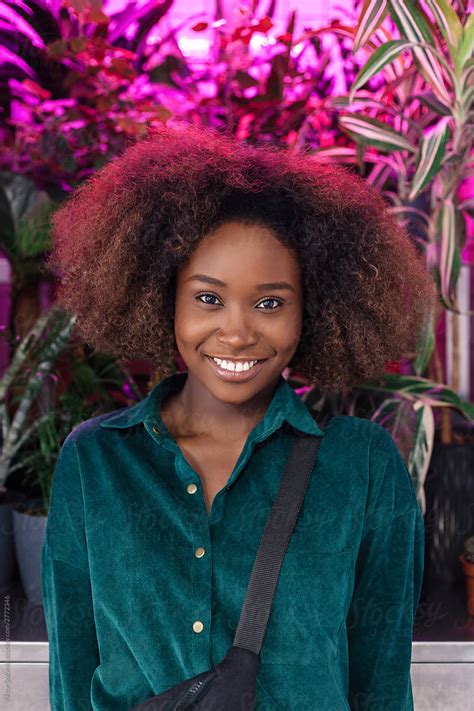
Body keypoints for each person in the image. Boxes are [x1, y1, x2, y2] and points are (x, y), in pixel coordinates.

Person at [41, 122, 436, 710]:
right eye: (207, 298)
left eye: (270, 302)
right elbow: (73, 674)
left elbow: (381, 683)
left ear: (314, 312)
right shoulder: (96, 460)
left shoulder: (362, 465)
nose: (238, 331)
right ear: (161, 297)